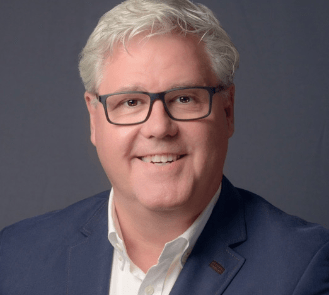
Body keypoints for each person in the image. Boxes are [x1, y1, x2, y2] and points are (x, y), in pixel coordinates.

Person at [1, 0, 328, 294]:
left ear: (227, 111)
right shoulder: (15, 255)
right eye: (130, 102)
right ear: (94, 118)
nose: (159, 127)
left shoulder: (303, 267)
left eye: (184, 98)